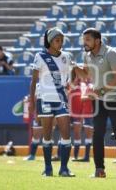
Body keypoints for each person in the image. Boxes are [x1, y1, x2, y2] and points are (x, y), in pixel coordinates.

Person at [74, 28, 116, 178]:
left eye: (88, 39)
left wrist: (102, 91)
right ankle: (99, 170)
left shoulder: (111, 53)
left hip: (115, 100)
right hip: (98, 101)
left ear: (97, 41)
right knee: (97, 135)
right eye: (84, 39)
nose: (84, 42)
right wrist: (73, 66)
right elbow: (86, 75)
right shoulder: (86, 55)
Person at [29, 27, 74, 177]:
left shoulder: (66, 56)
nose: (60, 43)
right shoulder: (40, 56)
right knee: (47, 136)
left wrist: (69, 83)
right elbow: (34, 80)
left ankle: (64, 169)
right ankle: (48, 168)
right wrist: (32, 103)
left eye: (62, 40)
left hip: (61, 100)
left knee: (66, 135)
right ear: (49, 41)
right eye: (57, 40)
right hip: (45, 100)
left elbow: (69, 75)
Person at [69, 69, 94, 162]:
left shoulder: (90, 85)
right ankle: (79, 156)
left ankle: (86, 157)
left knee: (88, 135)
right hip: (84, 113)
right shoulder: (84, 85)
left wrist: (88, 96)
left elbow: (91, 97)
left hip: (89, 113)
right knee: (82, 135)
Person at [23, 84, 42, 161]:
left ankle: (52, 156)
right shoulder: (37, 85)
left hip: (47, 113)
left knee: (48, 135)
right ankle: (32, 155)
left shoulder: (50, 85)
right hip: (39, 112)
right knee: (36, 135)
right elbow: (33, 98)